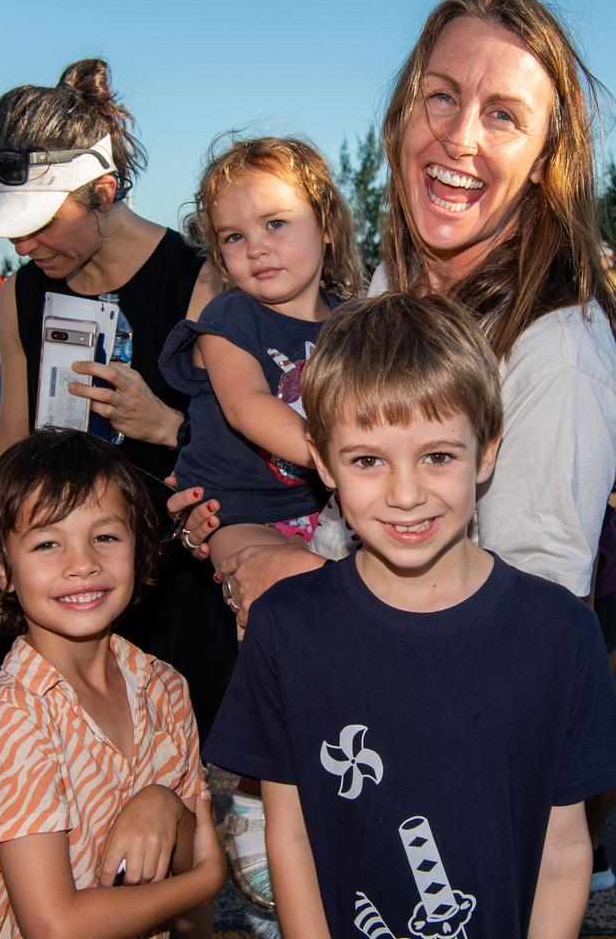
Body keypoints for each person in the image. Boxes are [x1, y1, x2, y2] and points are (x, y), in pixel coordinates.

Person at [175, 0, 616, 887]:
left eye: (503, 115)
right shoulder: (383, 291)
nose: (459, 137)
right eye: (442, 96)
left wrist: (303, 584)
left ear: (543, 160)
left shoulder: (555, 349)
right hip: (340, 753)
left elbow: (530, 634)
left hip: (438, 811)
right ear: (402, 111)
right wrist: (234, 538)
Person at [203, 292, 616, 938]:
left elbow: (564, 851)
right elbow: (291, 834)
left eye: (438, 456)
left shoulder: (560, 635)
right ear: (321, 460)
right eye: (368, 459)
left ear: (486, 453)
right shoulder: (287, 629)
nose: (405, 494)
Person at [0, 58, 237, 740]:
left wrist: (167, 424)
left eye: (39, 221)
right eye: (10, 227)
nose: (23, 245)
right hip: (62, 601)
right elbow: (11, 447)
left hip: (181, 595)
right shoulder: (24, 295)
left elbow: (256, 465)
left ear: (103, 190)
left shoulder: (200, 286)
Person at [0, 429, 225, 939]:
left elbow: (192, 914)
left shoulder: (165, 688)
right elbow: (54, 926)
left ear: (141, 548)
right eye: (46, 543)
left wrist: (167, 806)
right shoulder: (14, 719)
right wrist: (207, 881)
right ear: (3, 571)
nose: (82, 564)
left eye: (105, 537)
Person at [159, 136, 363, 570]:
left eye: (275, 223)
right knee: (276, 580)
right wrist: (341, 458)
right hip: (238, 509)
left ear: (325, 224)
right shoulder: (226, 319)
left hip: (334, 501)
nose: (255, 247)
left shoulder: (355, 323)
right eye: (234, 236)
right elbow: (247, 405)